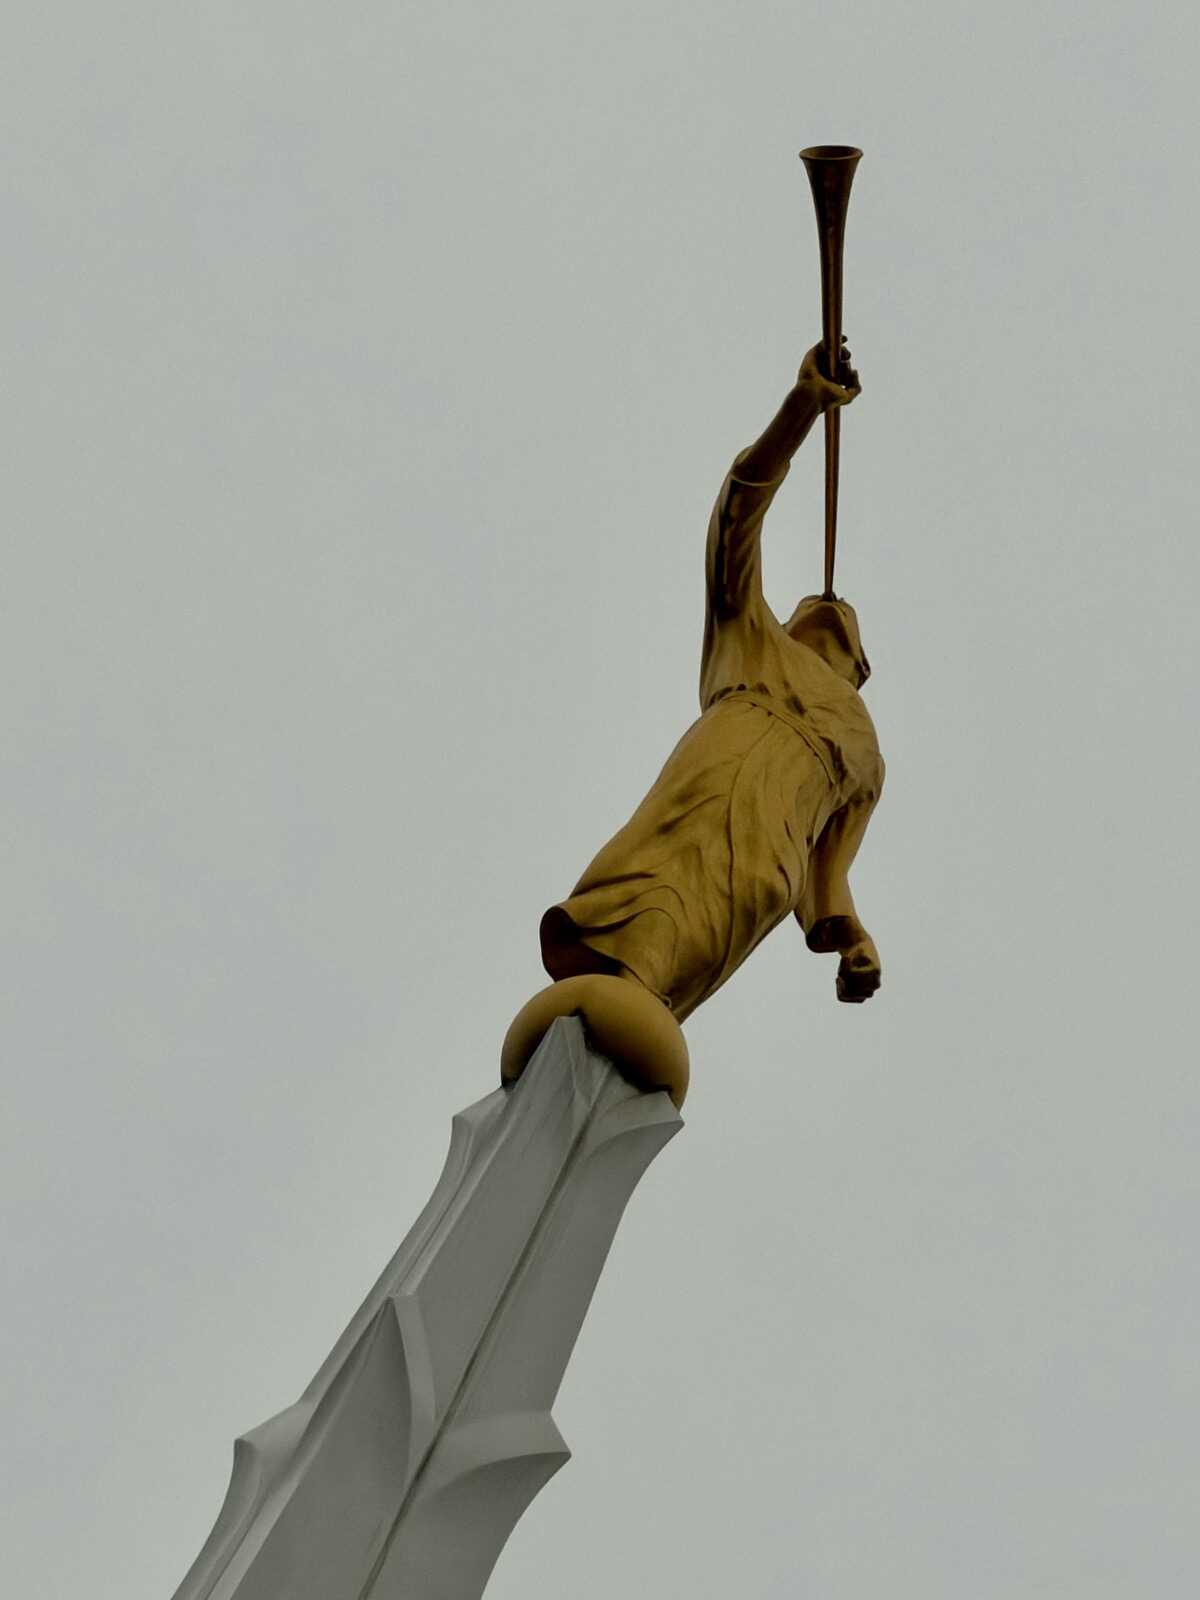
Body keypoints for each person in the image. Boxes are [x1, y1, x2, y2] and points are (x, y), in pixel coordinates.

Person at [503, 339, 884, 1108]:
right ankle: (602, 1023)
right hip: (699, 793)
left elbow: (827, 869)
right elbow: (739, 509)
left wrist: (851, 936)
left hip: (769, 860)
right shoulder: (751, 639)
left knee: (689, 958)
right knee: (644, 915)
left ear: (859, 667)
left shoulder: (864, 755)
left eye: (838, 619)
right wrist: (801, 407)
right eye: (813, 610)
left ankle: (622, 1042)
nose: (825, 608)